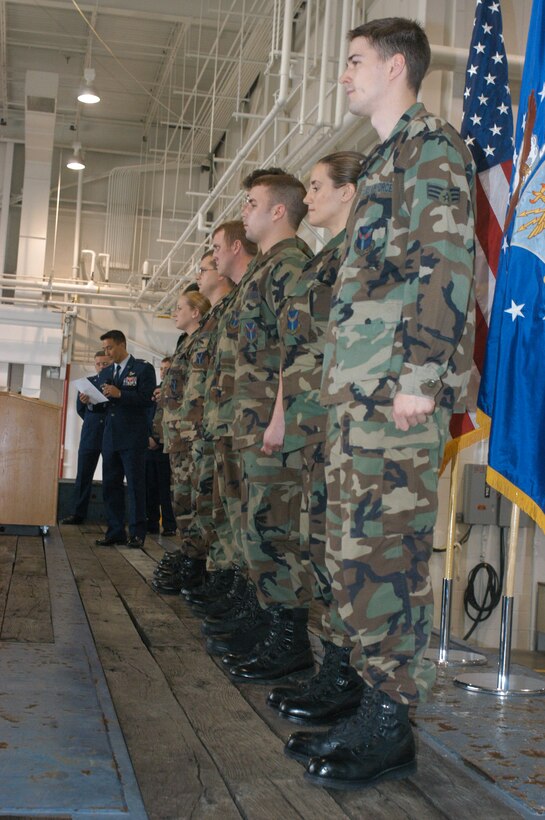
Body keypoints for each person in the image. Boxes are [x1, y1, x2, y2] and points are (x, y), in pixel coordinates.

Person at [285, 18, 475, 789]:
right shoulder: (381, 160)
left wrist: (420, 376)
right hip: (359, 389)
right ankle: (370, 702)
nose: (344, 75)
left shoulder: (432, 147)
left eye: (355, 61)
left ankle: (392, 725)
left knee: (387, 560)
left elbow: (444, 263)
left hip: (395, 390)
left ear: (396, 66)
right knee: (352, 556)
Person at [262, 152, 366, 725]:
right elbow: (293, 350)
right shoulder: (324, 259)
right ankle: (334, 666)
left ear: (349, 192)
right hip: (309, 420)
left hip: (339, 420)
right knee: (316, 544)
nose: (310, 196)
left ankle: (347, 674)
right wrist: (282, 413)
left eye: (319, 185)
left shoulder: (363, 250)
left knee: (340, 548)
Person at [224, 173, 316, 684]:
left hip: (270, 425)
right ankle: (272, 629)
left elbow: (294, 350)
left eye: (253, 203)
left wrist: (280, 418)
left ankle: (290, 642)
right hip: (252, 421)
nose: (246, 210)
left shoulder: (289, 265)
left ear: (278, 211)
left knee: (274, 532)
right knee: (257, 531)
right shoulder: (266, 267)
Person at [153, 287, 211, 592]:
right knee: (181, 503)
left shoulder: (202, 342)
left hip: (190, 436)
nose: (174, 312)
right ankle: (190, 560)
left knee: (191, 503)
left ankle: (196, 566)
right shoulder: (186, 344)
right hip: (177, 436)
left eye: (179, 307)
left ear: (196, 313)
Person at [93, 330, 156, 548]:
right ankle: (115, 531)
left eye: (110, 347)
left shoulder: (142, 369)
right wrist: (91, 400)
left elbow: (147, 399)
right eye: (105, 348)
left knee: (135, 487)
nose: (107, 352)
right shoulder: (106, 372)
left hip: (132, 437)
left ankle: (137, 533)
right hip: (110, 436)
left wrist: (120, 394)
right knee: (111, 485)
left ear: (122, 345)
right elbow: (103, 403)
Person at [61, 349, 112, 525]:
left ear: (112, 364)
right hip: (90, 434)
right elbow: (80, 409)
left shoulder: (116, 384)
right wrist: (87, 404)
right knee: (83, 475)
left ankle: (112, 516)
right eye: (98, 364)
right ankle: (77, 513)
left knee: (112, 475)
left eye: (105, 364)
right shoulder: (88, 383)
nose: (101, 367)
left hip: (110, 434)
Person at [146, 356, 177, 537]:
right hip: (148, 446)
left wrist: (158, 440)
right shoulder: (153, 392)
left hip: (166, 447)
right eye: (162, 368)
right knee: (149, 487)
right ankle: (151, 523)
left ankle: (169, 525)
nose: (164, 371)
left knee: (166, 489)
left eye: (168, 368)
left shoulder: (176, 393)